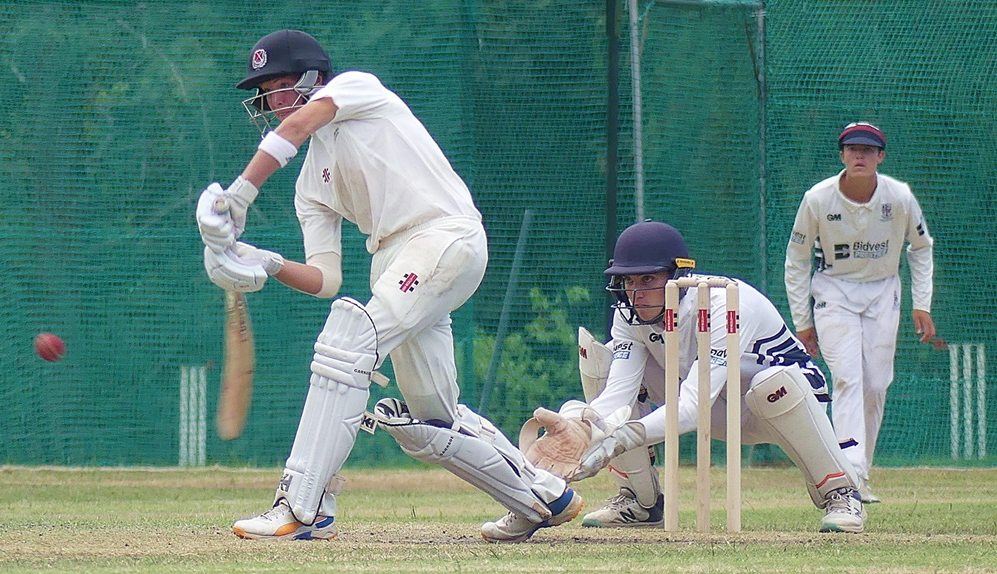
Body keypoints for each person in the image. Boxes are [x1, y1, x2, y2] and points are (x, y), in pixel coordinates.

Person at [195, 29, 581, 543]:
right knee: (429, 420)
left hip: (443, 235)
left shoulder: (356, 90)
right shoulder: (311, 182)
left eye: (278, 86)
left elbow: (306, 118)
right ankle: (542, 494)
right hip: (398, 262)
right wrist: (266, 262)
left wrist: (242, 191)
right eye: (263, 94)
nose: (269, 103)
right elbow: (325, 279)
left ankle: (302, 507)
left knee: (348, 342)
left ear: (312, 80)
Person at [570, 221, 866, 533]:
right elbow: (616, 397)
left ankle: (842, 493)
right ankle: (641, 502)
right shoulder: (629, 315)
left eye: (647, 279)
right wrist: (577, 427)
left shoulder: (724, 303)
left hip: (783, 406)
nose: (636, 293)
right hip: (712, 403)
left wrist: (622, 436)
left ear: (678, 275)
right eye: (629, 281)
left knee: (772, 383)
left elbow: (692, 408)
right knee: (600, 358)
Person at [784, 122, 935, 504]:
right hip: (834, 292)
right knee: (848, 379)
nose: (860, 156)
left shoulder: (898, 197)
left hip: (884, 292)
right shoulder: (818, 198)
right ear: (842, 156)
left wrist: (922, 303)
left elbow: (920, 247)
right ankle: (848, 474)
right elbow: (797, 259)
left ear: (881, 157)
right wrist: (802, 321)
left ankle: (860, 472)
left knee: (875, 385)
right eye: (853, 149)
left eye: (868, 150)